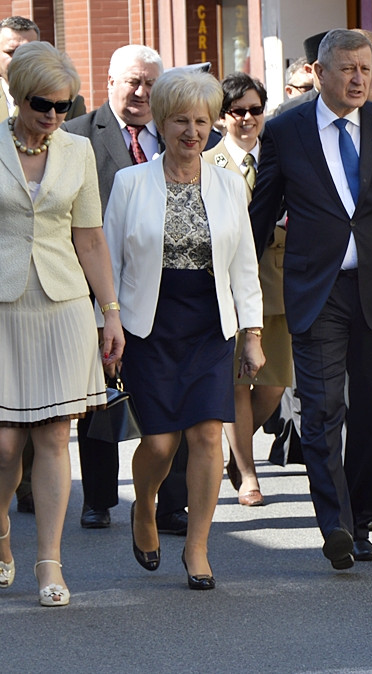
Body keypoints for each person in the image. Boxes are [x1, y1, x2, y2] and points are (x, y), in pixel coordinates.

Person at [249, 29, 372, 570]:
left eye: (367, 69)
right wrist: (239, 289)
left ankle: (359, 518)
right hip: (319, 290)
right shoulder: (285, 130)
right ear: (319, 72)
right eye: (349, 69)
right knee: (323, 408)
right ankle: (333, 523)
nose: (361, 79)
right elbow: (262, 213)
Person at [104, 68, 264, 590]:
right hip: (148, 324)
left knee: (206, 434)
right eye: (180, 121)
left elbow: (244, 264)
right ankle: (145, 504)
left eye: (201, 121)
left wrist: (253, 334)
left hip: (209, 323)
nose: (191, 132)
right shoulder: (130, 183)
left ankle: (198, 546)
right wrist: (108, 324)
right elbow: (109, 262)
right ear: (161, 122)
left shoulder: (227, 183)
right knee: (159, 442)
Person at [0, 41, 124, 607]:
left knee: (53, 437)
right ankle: (2, 535)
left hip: (63, 305)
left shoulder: (75, 152)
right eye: (42, 104)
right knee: (3, 445)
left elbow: (90, 236)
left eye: (64, 105)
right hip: (2, 309)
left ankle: (49, 561)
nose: (53, 115)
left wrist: (111, 312)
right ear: (16, 94)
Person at [65, 44, 191, 536]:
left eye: (150, 84)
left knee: (179, 401)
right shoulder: (76, 136)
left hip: (177, 293)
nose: (141, 93)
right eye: (132, 82)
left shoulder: (183, 133)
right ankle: (97, 498)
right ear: (110, 81)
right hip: (99, 287)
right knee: (103, 395)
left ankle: (171, 504)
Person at [204, 72, 290, 507]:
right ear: (222, 118)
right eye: (238, 112)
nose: (248, 119)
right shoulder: (209, 163)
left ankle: (235, 449)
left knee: (274, 382)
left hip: (278, 281)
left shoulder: (282, 156)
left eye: (256, 110)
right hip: (230, 286)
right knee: (239, 381)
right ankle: (247, 473)